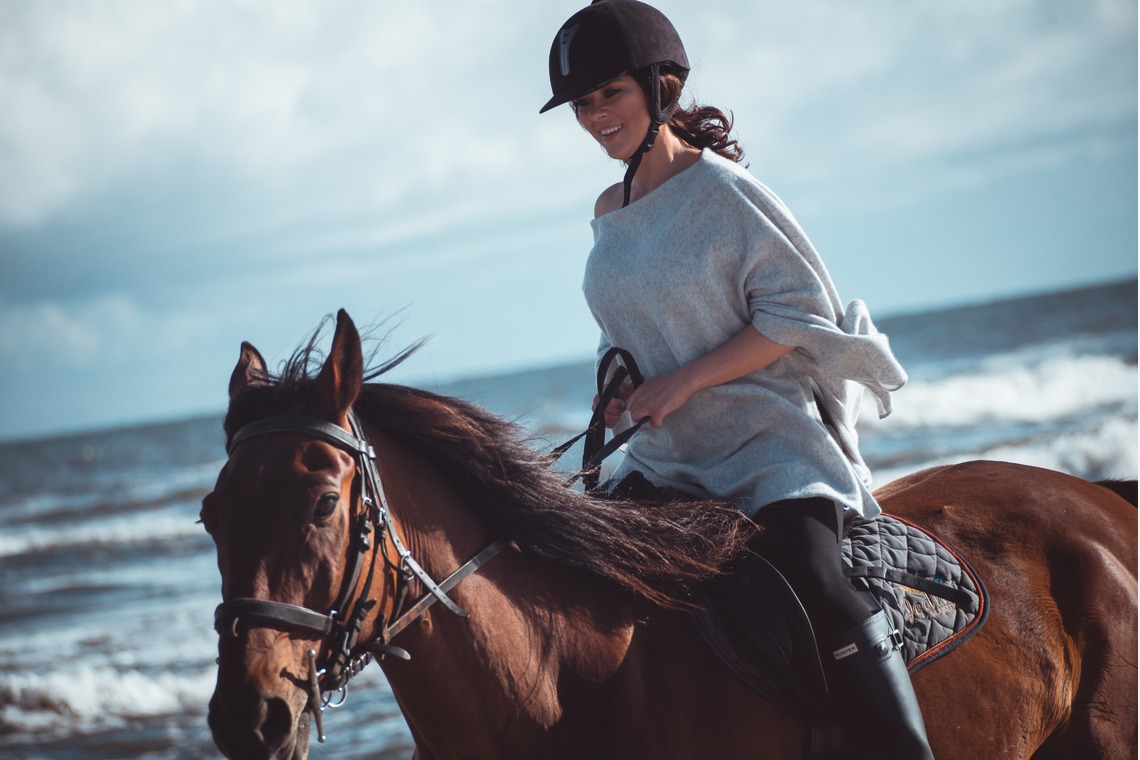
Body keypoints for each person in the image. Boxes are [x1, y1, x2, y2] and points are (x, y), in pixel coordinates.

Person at [539, 2, 931, 758]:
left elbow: (798, 312)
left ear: (663, 85)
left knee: (818, 585)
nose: (594, 117)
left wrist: (683, 382)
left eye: (608, 94)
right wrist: (619, 380)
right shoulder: (608, 208)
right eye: (582, 105)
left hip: (767, 453)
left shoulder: (726, 194)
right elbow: (623, 323)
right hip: (666, 460)